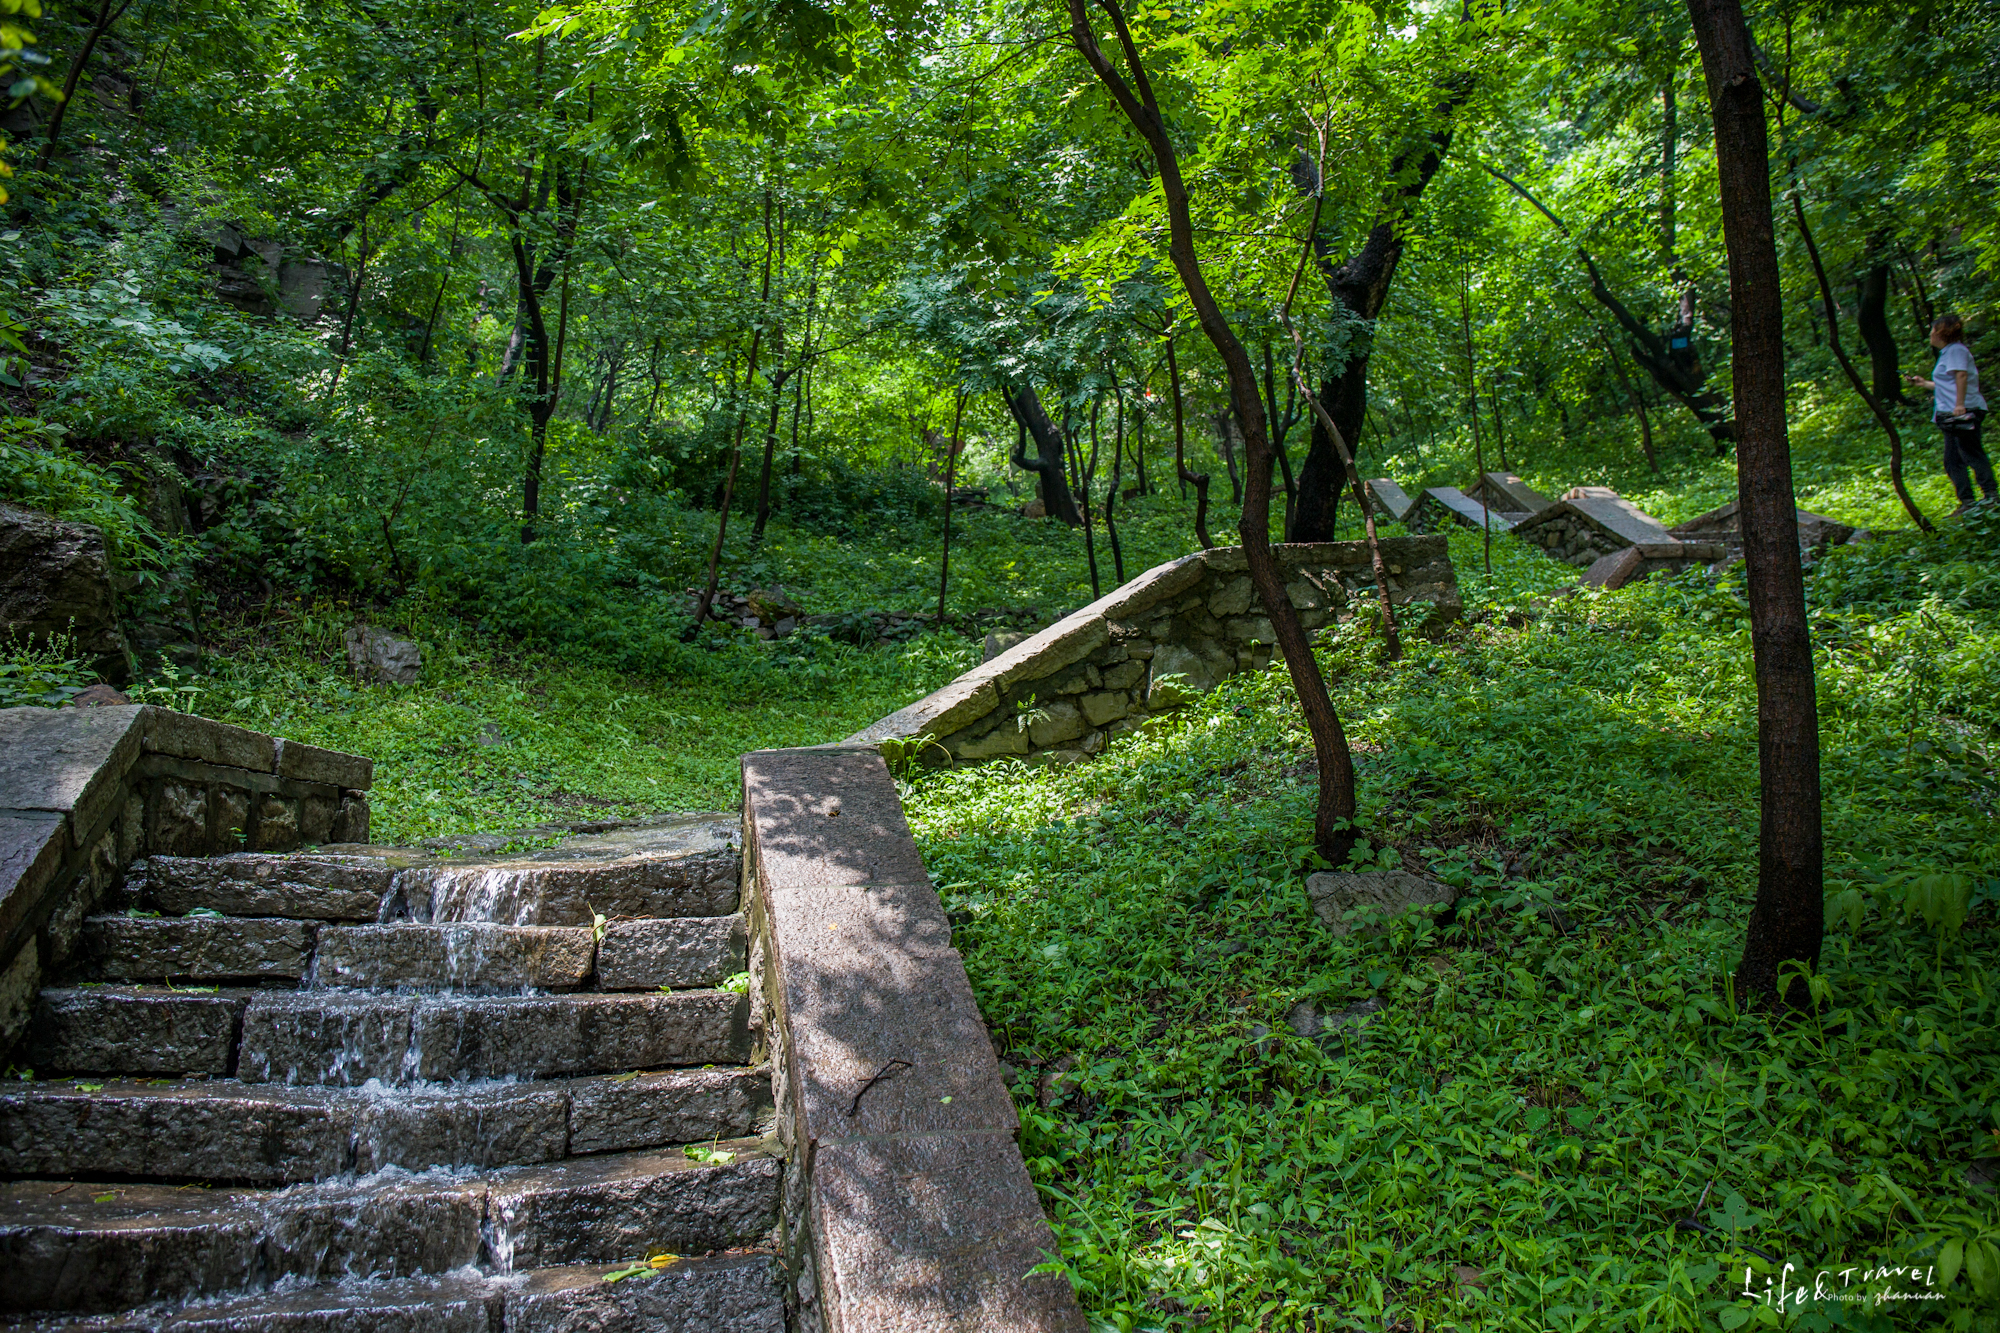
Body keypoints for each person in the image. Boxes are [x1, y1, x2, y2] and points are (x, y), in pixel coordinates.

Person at [1906, 313, 1994, 514]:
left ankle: (1991, 497)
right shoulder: (1948, 353)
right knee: (1953, 460)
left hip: (1963, 411)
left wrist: (1960, 405)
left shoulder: (1955, 350)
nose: (1930, 333)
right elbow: (1948, 384)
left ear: (1941, 332)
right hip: (1951, 414)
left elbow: (1961, 376)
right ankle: (1968, 502)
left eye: (1933, 329)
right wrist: (1923, 384)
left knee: (1971, 454)